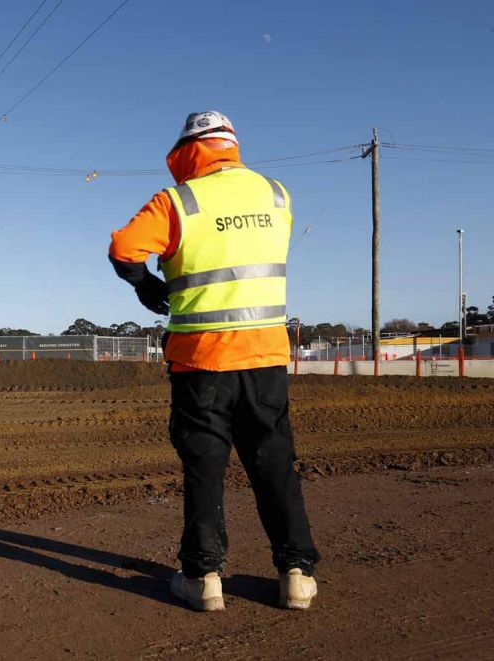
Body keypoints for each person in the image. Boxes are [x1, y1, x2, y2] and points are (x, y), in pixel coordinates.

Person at [108, 111, 319, 612]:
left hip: (200, 362)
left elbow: (123, 247)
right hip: (265, 357)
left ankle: (204, 578)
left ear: (186, 151)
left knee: (205, 467)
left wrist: (145, 286)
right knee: (274, 465)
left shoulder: (178, 200)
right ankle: (296, 575)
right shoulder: (276, 195)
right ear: (232, 146)